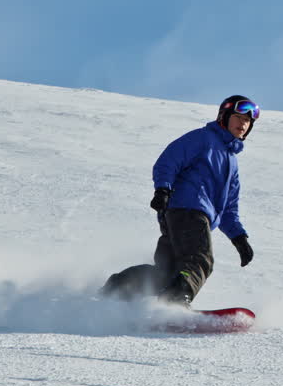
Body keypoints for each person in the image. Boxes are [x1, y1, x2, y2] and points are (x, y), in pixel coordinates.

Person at [101, 95, 258, 307]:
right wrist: (162, 189)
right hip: (189, 211)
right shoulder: (204, 139)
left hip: (181, 216)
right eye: (238, 117)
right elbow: (169, 160)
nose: (243, 123)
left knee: (166, 272)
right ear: (224, 117)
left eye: (248, 121)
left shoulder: (232, 163)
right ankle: (174, 302)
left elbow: (229, 207)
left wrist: (239, 238)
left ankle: (116, 288)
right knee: (199, 259)